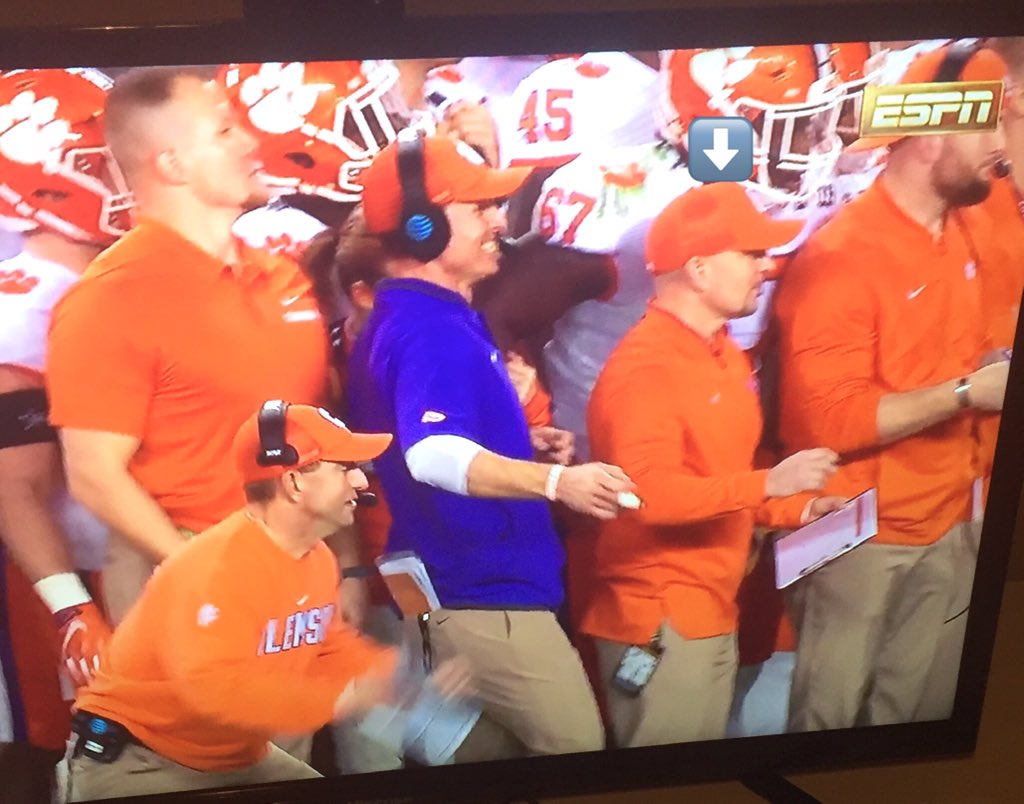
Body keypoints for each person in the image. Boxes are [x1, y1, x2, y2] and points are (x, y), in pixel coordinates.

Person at [346, 131, 636, 761]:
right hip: (479, 590)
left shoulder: (426, 316)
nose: (499, 221)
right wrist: (558, 483)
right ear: (422, 228)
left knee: (487, 759)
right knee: (578, 753)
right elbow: (430, 454)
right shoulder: (429, 328)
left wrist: (516, 442)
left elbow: (411, 442)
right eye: (477, 209)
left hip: (450, 584)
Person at [774, 41, 1012, 731]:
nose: (1000, 148)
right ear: (935, 136)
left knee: (909, 720)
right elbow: (830, 421)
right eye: (988, 126)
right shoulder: (841, 258)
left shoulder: (963, 219)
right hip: (858, 537)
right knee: (829, 723)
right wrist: (968, 393)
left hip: (947, 521)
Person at [61, 401, 474, 800]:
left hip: (231, 758)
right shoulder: (217, 568)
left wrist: (396, 678)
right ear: (293, 482)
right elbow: (215, 691)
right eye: (343, 469)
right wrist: (342, 698)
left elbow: (324, 643)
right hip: (142, 760)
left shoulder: (315, 558)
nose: (362, 482)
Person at [45, 66, 332, 626]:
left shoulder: (283, 277)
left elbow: (312, 433)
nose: (251, 143)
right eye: (225, 131)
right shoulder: (109, 299)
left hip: (299, 570)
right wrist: (206, 576)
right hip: (183, 586)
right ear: (172, 164)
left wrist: (335, 564)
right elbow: (95, 476)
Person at [580, 183, 842, 749]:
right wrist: (771, 482)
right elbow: (646, 495)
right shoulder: (645, 368)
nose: (767, 267)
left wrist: (802, 507)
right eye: (750, 254)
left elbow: (722, 479)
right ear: (698, 270)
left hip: (711, 610)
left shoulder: (722, 353)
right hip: (658, 621)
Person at [0, 67, 130, 803]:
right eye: (105, 158)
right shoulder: (21, 306)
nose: (129, 173)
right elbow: (15, 487)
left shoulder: (119, 275)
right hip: (74, 574)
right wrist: (71, 609)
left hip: (140, 558)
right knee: (87, 765)